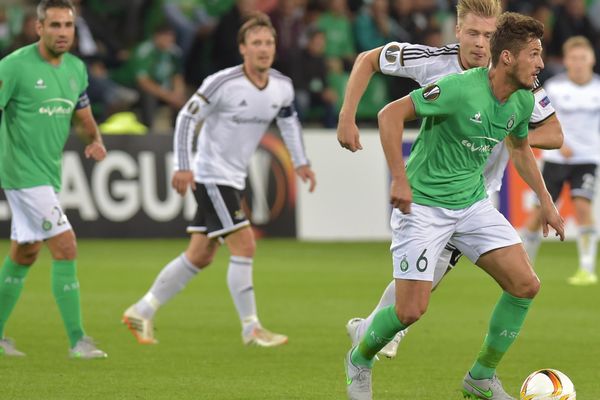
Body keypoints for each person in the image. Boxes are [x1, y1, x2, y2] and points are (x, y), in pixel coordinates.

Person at [344, 12, 564, 400]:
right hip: (424, 207)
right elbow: (389, 114)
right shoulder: (458, 88)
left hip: (472, 204)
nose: (542, 64)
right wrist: (399, 177)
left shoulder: (522, 100)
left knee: (525, 284)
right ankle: (359, 358)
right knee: (410, 311)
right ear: (509, 58)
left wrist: (546, 201)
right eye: (534, 54)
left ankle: (480, 378)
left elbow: (519, 146)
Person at [122, 13, 316, 347]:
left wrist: (301, 161)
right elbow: (185, 118)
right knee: (245, 243)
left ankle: (141, 310)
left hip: (234, 177)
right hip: (210, 174)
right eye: (256, 43)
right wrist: (183, 165)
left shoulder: (281, 86)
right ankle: (251, 328)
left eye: (268, 42)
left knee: (201, 254)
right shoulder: (222, 83)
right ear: (242, 48)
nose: (264, 49)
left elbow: (289, 122)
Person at [0, 0, 107, 359]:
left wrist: (94, 139)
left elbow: (82, 112)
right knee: (66, 245)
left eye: (68, 26)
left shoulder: (76, 68)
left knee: (26, 252)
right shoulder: (14, 67)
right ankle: (79, 340)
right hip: (21, 173)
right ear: (39, 28)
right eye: (55, 25)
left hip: (46, 173)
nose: (63, 33)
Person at [522, 36, 600, 286]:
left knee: (583, 208)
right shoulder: (554, 88)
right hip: (556, 158)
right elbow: (541, 122)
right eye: (573, 58)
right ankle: (523, 267)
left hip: (587, 159)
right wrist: (561, 144)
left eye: (583, 58)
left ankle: (587, 269)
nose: (578, 63)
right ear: (566, 61)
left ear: (592, 60)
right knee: (538, 215)